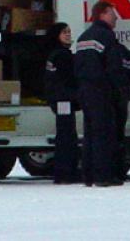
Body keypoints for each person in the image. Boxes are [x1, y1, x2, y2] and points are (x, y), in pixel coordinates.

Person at [74, 1, 128, 187]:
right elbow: (114, 68)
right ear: (103, 14)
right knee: (105, 134)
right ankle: (104, 176)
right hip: (102, 91)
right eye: (113, 13)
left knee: (90, 134)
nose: (116, 17)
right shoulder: (106, 37)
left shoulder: (83, 38)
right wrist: (119, 91)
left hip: (85, 91)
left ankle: (88, 175)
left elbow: (78, 66)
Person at [43, 22, 80, 184]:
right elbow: (68, 79)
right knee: (67, 135)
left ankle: (64, 170)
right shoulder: (62, 55)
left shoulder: (53, 55)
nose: (68, 34)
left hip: (59, 99)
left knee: (65, 134)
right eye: (64, 32)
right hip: (64, 100)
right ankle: (66, 171)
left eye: (69, 32)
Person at [113, 41, 130, 181]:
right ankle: (118, 170)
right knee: (119, 135)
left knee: (108, 135)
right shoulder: (124, 51)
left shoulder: (108, 51)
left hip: (110, 98)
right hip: (123, 96)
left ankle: (112, 170)